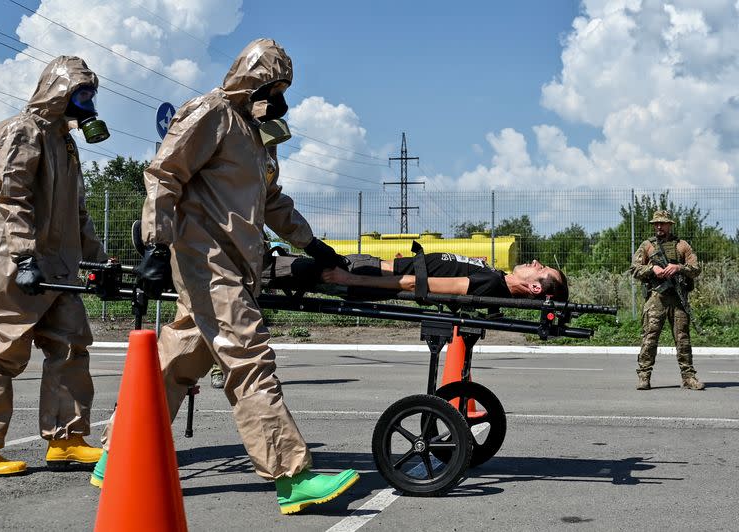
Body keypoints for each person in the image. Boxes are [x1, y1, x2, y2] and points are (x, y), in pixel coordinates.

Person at [92, 38, 359, 515]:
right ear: (251, 79)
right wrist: (156, 243)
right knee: (249, 357)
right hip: (205, 259)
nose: (278, 98)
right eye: (272, 86)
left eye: (282, 89)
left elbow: (271, 202)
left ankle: (115, 455)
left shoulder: (254, 138)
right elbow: (164, 174)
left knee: (178, 362)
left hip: (235, 263)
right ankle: (291, 476)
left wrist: (311, 244)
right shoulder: (210, 113)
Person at [0, 56, 110, 476]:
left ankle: (67, 439)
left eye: (91, 94)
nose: (88, 102)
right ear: (58, 91)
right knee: (0, 352)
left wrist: (98, 258)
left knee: (72, 346)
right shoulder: (22, 130)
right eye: (81, 93)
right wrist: (23, 256)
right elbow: (12, 197)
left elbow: (76, 211)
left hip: (59, 268)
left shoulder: (65, 141)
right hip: (14, 263)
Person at [631, 210, 704, 391]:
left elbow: (696, 268)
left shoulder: (682, 246)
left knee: (683, 339)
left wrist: (678, 267)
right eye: (656, 223)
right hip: (656, 298)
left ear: (670, 225)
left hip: (678, 299)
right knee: (650, 338)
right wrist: (652, 269)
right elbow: (634, 269)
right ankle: (644, 376)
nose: (658, 226)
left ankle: (688, 377)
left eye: (662, 223)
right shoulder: (647, 246)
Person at [319, 253, 569, 300]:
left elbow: (414, 283)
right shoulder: (497, 276)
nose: (536, 263)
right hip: (366, 266)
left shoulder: (491, 283)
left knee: (285, 269)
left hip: (362, 273)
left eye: (541, 269)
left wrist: (348, 279)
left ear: (535, 288)